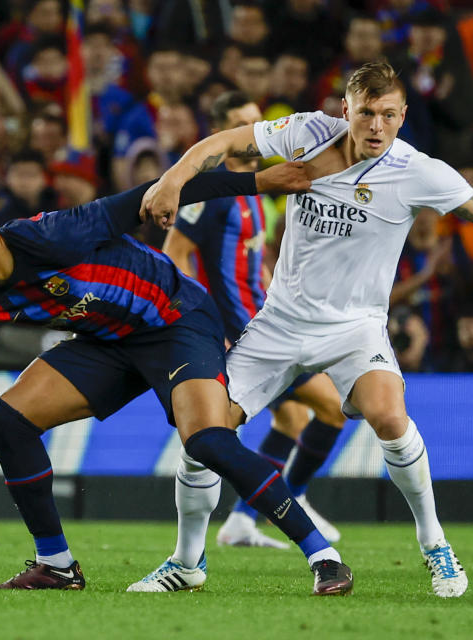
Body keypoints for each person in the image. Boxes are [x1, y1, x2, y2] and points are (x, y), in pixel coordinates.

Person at [137, 61, 473, 598]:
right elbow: (226, 140)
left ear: (402, 116)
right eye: (367, 113)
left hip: (356, 329)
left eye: (389, 115)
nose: (377, 126)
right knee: (203, 437)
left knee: (390, 418)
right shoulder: (307, 133)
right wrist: (173, 177)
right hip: (279, 324)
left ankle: (435, 544)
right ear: (346, 110)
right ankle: (187, 563)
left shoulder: (416, 170)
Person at [0, 162, 357, 597]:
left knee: (207, 441)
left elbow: (161, 191)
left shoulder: (54, 235)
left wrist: (262, 181)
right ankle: (56, 566)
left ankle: (323, 557)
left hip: (176, 321)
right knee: (5, 421)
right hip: (108, 343)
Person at [161, 91, 346, 552]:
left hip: (265, 321)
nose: (254, 132)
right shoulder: (213, 190)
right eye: (242, 124)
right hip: (238, 332)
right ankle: (292, 497)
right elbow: (175, 254)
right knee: (330, 407)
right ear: (223, 134)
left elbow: (251, 261)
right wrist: (199, 323)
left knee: (290, 420)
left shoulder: (260, 188)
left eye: (256, 122)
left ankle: (242, 520)